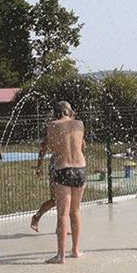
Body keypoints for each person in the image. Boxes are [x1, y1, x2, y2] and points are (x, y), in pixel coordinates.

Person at [33, 101, 86, 263]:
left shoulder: (52, 126)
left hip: (63, 169)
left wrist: (40, 166)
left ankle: (60, 256)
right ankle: (75, 250)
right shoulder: (80, 124)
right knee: (75, 211)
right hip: (81, 169)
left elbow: (52, 147)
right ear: (69, 111)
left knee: (63, 214)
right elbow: (82, 146)